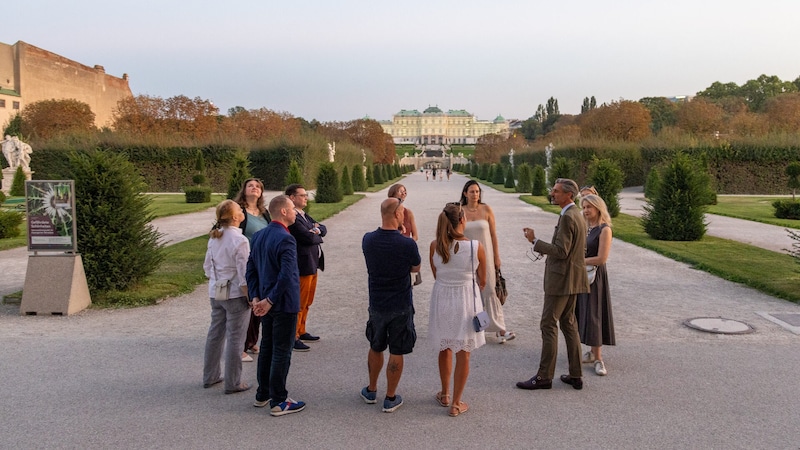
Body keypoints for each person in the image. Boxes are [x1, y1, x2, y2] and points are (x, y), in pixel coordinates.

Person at [517, 178, 589, 391]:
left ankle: (544, 376)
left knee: (548, 324)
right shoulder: (576, 214)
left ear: (569, 195)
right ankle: (576, 374)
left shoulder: (568, 216)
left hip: (561, 280)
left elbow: (561, 251)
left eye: (556, 191)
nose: (552, 193)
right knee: (568, 323)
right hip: (573, 278)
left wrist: (534, 241)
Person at [360, 197, 422, 413]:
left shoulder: (368, 239)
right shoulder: (407, 243)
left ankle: (371, 388)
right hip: (401, 303)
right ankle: (390, 396)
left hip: (377, 302)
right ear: (397, 214)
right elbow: (415, 268)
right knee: (397, 349)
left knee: (376, 345)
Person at [248, 195, 306, 416]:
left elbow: (250, 268)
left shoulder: (260, 235)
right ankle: (279, 400)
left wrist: (256, 297)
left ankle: (263, 393)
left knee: (268, 348)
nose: (295, 212)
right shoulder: (286, 239)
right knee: (282, 350)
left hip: (264, 301)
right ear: (283, 211)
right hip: (280, 303)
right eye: (292, 208)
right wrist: (270, 300)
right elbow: (287, 275)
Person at [428, 202, 486, 417]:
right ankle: (456, 403)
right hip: (466, 299)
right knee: (464, 352)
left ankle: (444, 393)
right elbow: (483, 279)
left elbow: (436, 274)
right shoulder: (475, 247)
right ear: (462, 220)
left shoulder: (435, 245)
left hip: (442, 297)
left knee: (445, 347)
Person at [202, 200, 252, 394]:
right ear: (234, 217)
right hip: (235, 294)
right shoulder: (240, 240)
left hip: (216, 291)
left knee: (215, 334)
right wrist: (250, 296)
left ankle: (210, 375)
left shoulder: (215, 238)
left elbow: (207, 267)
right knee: (235, 338)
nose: (242, 211)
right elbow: (244, 273)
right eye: (239, 209)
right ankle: (233, 382)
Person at [459, 180, 515, 343]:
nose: (475, 194)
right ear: (465, 193)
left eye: (477, 191)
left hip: (487, 256)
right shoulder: (460, 211)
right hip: (466, 256)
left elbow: (493, 235)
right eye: (472, 192)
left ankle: (500, 329)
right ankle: (470, 327)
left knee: (490, 290)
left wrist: (496, 256)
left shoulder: (487, 209)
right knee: (469, 292)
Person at [575, 194, 616, 376]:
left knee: (594, 314)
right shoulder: (586, 227)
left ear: (598, 208)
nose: (585, 211)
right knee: (582, 312)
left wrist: (578, 261)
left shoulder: (604, 229)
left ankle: (598, 358)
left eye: (589, 207)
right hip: (582, 275)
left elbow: (601, 258)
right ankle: (591, 351)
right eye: (583, 207)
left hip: (595, 277)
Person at [285, 184, 327, 352]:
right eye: (302, 195)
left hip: (312, 263)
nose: (305, 198)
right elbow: (307, 237)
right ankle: (293, 335)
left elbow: (322, 228)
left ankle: (302, 330)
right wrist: (315, 232)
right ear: (292, 198)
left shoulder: (303, 214)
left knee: (308, 300)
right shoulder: (293, 217)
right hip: (303, 264)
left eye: (305, 195)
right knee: (300, 301)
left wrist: (316, 230)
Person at [234, 178, 272, 362]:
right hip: (245, 261)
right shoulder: (239, 211)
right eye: (250, 185)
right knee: (246, 303)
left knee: (259, 299)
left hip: (262, 262)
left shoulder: (264, 213)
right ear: (245, 190)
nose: (254, 188)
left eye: (257, 186)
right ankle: (240, 345)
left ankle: (251, 340)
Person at [388, 183, 422, 286]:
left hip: (405, 250)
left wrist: (408, 244)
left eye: (404, 191)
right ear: (393, 194)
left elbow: (415, 235)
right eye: (400, 191)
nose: (403, 193)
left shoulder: (408, 213)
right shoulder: (388, 213)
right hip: (392, 250)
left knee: (407, 283)